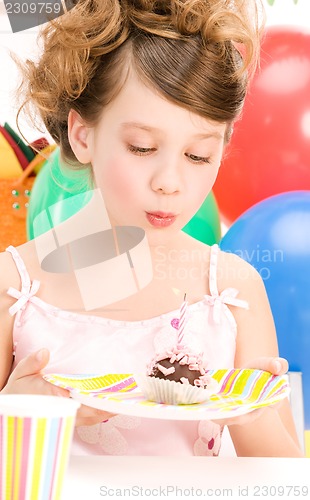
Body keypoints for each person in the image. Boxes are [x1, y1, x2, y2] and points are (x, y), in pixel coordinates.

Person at [0, 0, 303, 457]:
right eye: (142, 148)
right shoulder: (15, 288)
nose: (169, 183)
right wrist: (17, 416)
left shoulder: (232, 290)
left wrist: (251, 415)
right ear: (84, 135)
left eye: (199, 155)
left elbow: (288, 480)